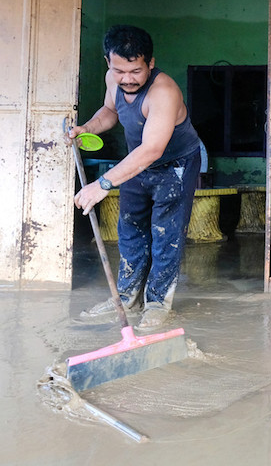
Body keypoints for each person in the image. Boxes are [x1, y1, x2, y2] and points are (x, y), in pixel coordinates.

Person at [69, 24, 202, 330]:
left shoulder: (163, 92)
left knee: (165, 233)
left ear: (151, 63)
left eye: (136, 71)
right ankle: (126, 297)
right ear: (108, 63)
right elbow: (109, 111)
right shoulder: (113, 79)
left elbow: (153, 149)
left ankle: (157, 303)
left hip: (174, 164)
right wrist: (86, 129)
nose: (127, 79)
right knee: (129, 228)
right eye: (119, 71)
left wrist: (103, 184)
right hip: (136, 162)